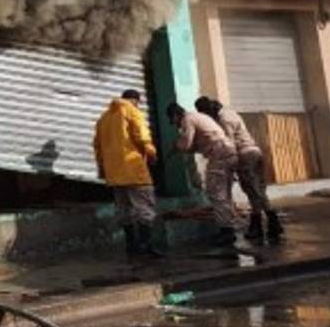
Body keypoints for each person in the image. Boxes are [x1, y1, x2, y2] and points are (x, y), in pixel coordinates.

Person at [195, 97, 283, 243]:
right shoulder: (230, 113)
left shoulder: (224, 120)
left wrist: (230, 167)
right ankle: (262, 226)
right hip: (255, 151)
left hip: (245, 155)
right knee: (257, 191)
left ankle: (272, 222)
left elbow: (229, 145)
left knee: (254, 191)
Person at [93, 89, 163, 258]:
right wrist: (152, 153)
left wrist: (103, 169)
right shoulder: (132, 111)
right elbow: (142, 135)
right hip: (134, 170)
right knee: (144, 208)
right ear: (136, 101)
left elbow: (97, 147)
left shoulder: (103, 119)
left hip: (114, 175)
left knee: (124, 211)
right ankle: (146, 246)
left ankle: (131, 246)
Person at [167, 102, 239, 246]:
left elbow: (186, 143)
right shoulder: (198, 117)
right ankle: (228, 228)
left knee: (216, 192)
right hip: (228, 151)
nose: (176, 125)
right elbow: (198, 144)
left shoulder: (187, 119)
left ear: (176, 115)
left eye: (173, 120)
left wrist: (176, 146)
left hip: (219, 153)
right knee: (224, 193)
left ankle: (227, 232)